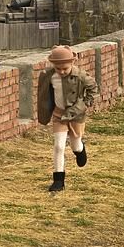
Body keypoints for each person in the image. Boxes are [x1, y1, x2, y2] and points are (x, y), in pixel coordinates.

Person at [36, 44, 95, 192]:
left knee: (75, 143)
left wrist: (85, 104)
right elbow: (44, 94)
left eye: (65, 69)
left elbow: (93, 89)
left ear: (72, 63)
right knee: (59, 146)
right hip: (59, 114)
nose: (61, 72)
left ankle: (80, 150)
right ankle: (58, 180)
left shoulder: (80, 76)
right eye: (58, 69)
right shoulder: (49, 76)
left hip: (76, 114)